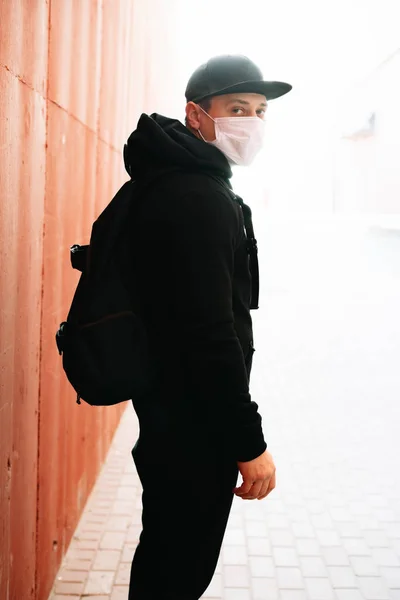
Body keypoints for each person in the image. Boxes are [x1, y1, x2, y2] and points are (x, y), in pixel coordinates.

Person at [121, 55, 292, 599]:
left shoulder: (175, 181)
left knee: (167, 561)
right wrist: (248, 442)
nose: (253, 122)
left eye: (261, 111)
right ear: (197, 114)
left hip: (173, 412)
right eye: (238, 108)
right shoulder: (198, 197)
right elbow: (211, 335)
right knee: (177, 573)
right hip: (193, 425)